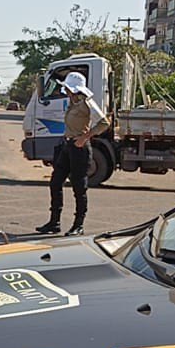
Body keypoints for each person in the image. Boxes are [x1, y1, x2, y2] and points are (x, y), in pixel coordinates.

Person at [36, 72, 109, 237]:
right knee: (55, 182)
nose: (66, 91)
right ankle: (54, 222)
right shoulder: (72, 101)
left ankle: (78, 225)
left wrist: (85, 137)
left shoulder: (87, 103)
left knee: (79, 188)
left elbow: (104, 123)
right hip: (67, 145)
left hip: (80, 148)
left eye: (68, 88)